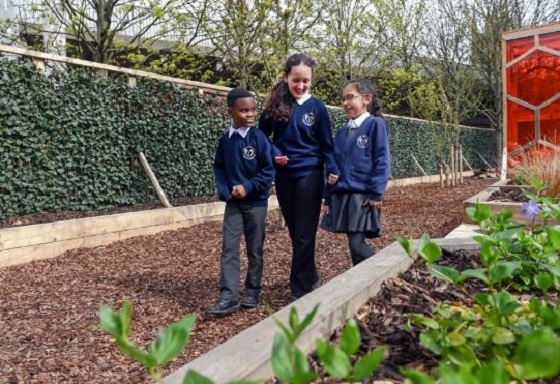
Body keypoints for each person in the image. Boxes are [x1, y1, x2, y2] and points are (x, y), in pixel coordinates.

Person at [258, 53, 339, 303]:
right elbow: (261, 138)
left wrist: (332, 171)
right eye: (296, 80)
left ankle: (300, 290)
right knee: (296, 232)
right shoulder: (275, 105)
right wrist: (274, 153)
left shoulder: (317, 107)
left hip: (310, 174)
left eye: (306, 81)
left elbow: (327, 144)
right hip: (285, 176)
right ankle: (311, 275)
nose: (301, 85)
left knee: (305, 233)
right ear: (286, 77)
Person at [207, 87, 275, 316]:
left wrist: (247, 187)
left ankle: (253, 290)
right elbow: (219, 168)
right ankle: (228, 296)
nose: (250, 114)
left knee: (254, 249)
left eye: (253, 110)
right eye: (244, 110)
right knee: (229, 248)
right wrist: (226, 191)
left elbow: (268, 170)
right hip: (233, 204)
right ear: (231, 112)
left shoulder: (259, 138)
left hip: (256, 203)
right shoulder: (225, 140)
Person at [320, 79, 391, 266]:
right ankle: (363, 285)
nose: (345, 103)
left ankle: (384, 268)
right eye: (343, 99)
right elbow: (332, 166)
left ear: (367, 99)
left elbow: (382, 160)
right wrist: (327, 197)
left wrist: (376, 192)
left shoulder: (375, 124)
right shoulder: (343, 132)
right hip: (343, 195)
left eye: (350, 97)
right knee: (353, 246)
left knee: (357, 244)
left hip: (363, 196)